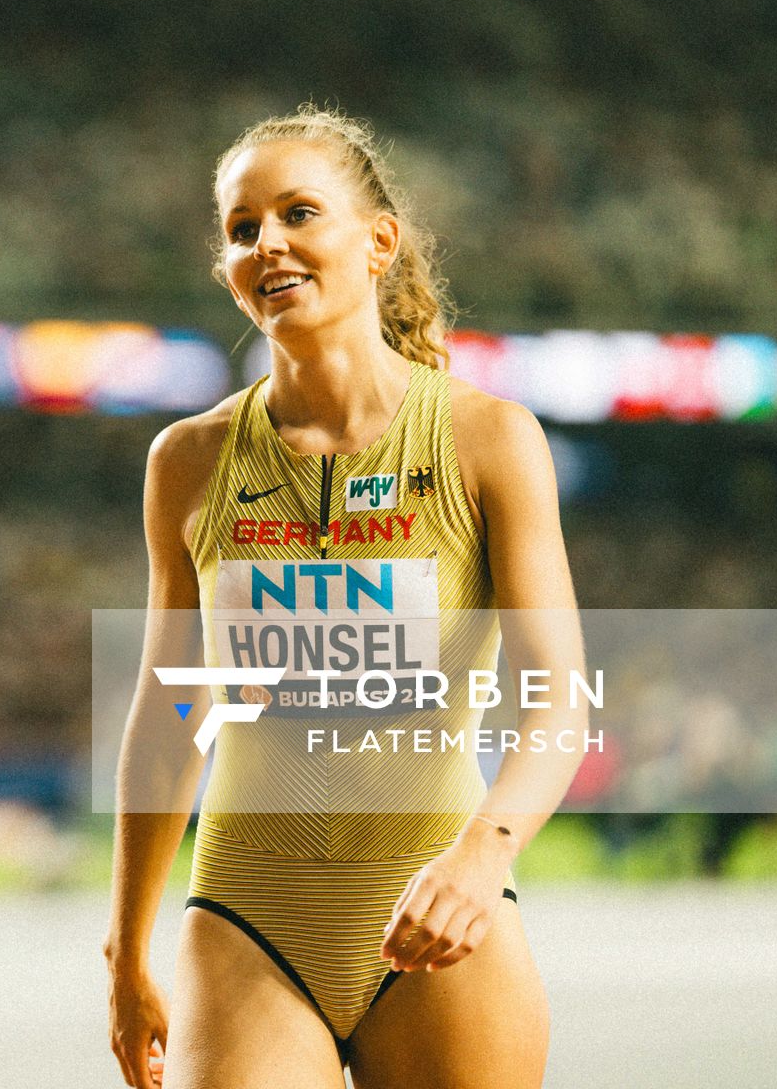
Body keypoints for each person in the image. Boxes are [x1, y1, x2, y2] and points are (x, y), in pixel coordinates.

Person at [105, 108, 588, 1089]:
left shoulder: (488, 440)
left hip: (440, 911)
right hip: (248, 924)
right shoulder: (188, 463)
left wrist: (480, 855)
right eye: (243, 228)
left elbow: (560, 702)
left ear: (378, 241)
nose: (267, 242)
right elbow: (170, 714)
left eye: (298, 212)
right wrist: (125, 948)